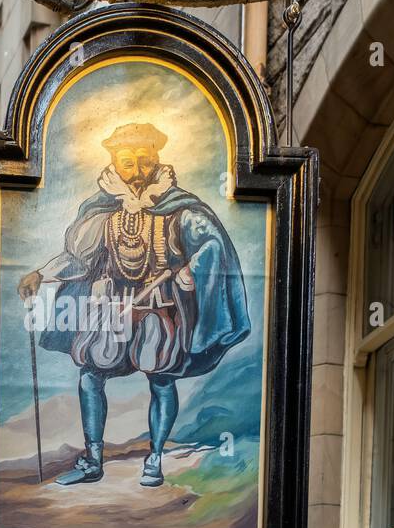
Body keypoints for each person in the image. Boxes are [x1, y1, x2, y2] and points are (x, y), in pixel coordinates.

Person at [17, 122, 250, 487]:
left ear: (157, 160)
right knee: (91, 376)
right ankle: (92, 460)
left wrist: (191, 267)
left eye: (145, 161)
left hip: (160, 307)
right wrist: (41, 274)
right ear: (114, 162)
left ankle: (154, 459)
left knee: (161, 379)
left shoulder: (179, 208)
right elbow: (78, 258)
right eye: (128, 162)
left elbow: (213, 246)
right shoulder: (101, 210)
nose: (138, 171)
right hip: (110, 309)